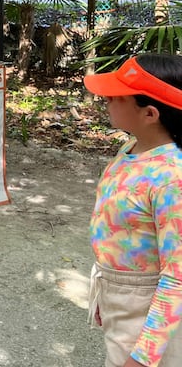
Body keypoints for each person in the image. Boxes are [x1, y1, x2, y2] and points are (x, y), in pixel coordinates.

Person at [83, 53, 182, 367]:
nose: (107, 99)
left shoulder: (172, 178)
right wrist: (107, 289)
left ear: (150, 113)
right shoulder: (132, 147)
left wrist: (143, 356)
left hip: (148, 309)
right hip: (119, 294)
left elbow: (177, 276)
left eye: (117, 97)